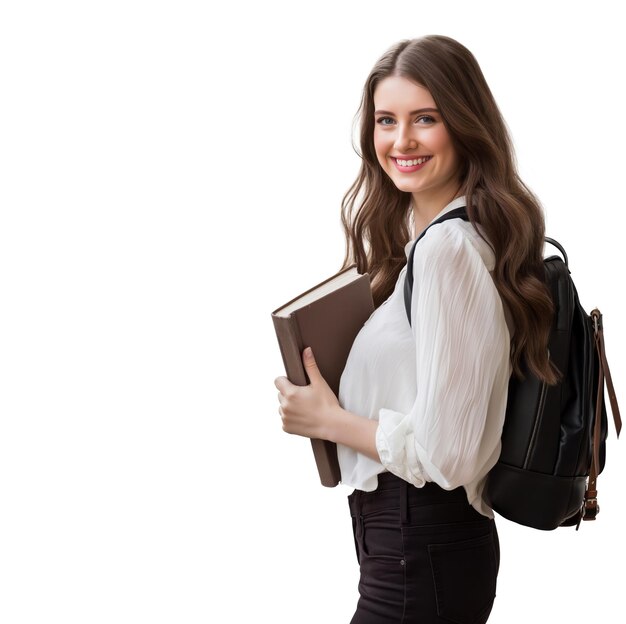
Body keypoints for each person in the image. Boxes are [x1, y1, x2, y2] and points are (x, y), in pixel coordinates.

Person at [273, 34, 557, 624]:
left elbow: (450, 455)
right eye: (386, 120)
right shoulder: (431, 244)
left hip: (420, 545)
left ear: (464, 124)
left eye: (424, 119)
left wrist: (329, 421)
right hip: (414, 548)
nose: (400, 141)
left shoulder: (449, 249)